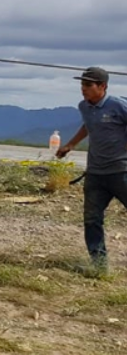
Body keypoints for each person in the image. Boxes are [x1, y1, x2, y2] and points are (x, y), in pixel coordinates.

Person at [56, 66, 127, 271]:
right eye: (82, 84)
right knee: (92, 219)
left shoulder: (118, 105)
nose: (83, 89)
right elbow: (88, 125)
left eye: (88, 85)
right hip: (95, 173)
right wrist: (70, 144)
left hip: (121, 171)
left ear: (102, 86)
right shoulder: (84, 106)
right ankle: (99, 265)